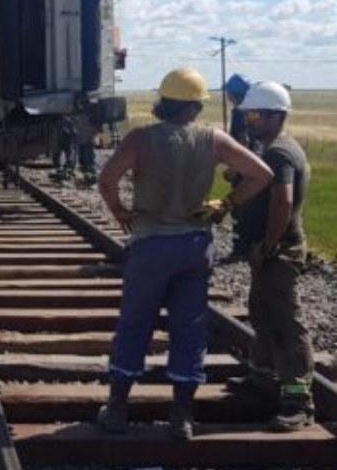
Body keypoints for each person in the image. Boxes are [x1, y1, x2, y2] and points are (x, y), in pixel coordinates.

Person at [95, 68, 272, 440]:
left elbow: (107, 179)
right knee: (189, 329)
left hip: (150, 246)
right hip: (193, 247)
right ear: (194, 106)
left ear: (163, 102)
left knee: (134, 325)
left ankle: (116, 409)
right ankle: (182, 418)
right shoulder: (214, 140)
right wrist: (226, 203)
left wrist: (119, 211)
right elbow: (261, 173)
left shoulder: (141, 139)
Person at [230, 81, 316, 432]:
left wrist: (269, 244)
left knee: (285, 325)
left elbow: (282, 200)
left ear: (276, 116)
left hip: (278, 251)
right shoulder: (270, 146)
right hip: (269, 251)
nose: (250, 120)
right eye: (248, 113)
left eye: (256, 115)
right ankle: (262, 381)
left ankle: (298, 400)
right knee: (263, 315)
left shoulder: (280, 152)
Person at [223, 73, 253, 258]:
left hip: (244, 168)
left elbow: (243, 141)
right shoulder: (254, 110)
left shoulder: (240, 112)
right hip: (254, 166)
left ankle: (241, 250)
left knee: (240, 206)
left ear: (232, 93)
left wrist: (235, 168)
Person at [50, 115, 77, 181]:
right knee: (59, 156)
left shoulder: (68, 122)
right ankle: (61, 171)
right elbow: (74, 133)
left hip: (66, 143)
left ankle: (66, 171)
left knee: (68, 157)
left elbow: (74, 133)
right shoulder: (65, 122)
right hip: (62, 143)